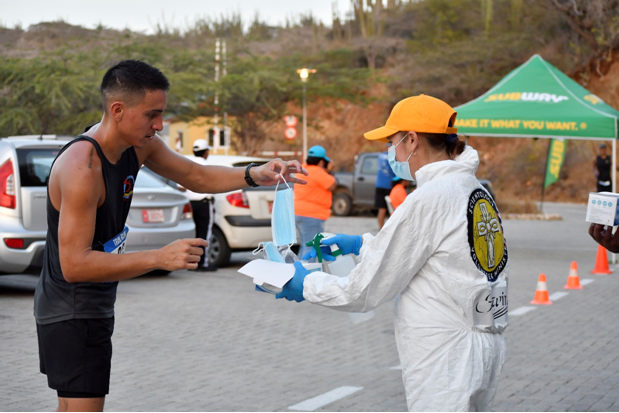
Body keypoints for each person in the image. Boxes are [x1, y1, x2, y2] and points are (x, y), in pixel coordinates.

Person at [33, 59, 307, 412]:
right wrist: (159, 258)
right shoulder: (83, 167)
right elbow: (74, 264)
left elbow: (196, 175)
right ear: (118, 110)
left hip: (90, 304)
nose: (159, 125)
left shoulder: (139, 146)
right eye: (151, 115)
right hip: (71, 309)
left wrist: (256, 174)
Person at [277, 94, 509, 411]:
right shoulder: (473, 189)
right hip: (482, 342)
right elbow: (433, 254)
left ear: (412, 140)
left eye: (392, 142)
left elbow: (364, 289)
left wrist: (304, 284)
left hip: (447, 351)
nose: (391, 153)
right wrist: (361, 244)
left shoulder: (430, 197)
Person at [294, 145, 337, 258]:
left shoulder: (303, 169)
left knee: (305, 246)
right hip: (311, 215)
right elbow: (333, 186)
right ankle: (304, 274)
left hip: (299, 212)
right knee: (311, 248)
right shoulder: (317, 172)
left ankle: (298, 271)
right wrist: (329, 170)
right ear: (322, 162)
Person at [183, 139, 216, 271]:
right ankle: (203, 263)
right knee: (204, 233)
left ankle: (192, 263)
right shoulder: (207, 166)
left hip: (190, 203)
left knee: (193, 233)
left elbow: (181, 186)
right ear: (206, 152)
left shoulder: (188, 165)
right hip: (203, 202)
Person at [375, 149, 396, 229]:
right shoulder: (392, 157)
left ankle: (381, 229)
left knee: (381, 209)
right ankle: (391, 228)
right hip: (389, 185)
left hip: (379, 184)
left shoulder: (380, 156)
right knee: (392, 209)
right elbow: (394, 171)